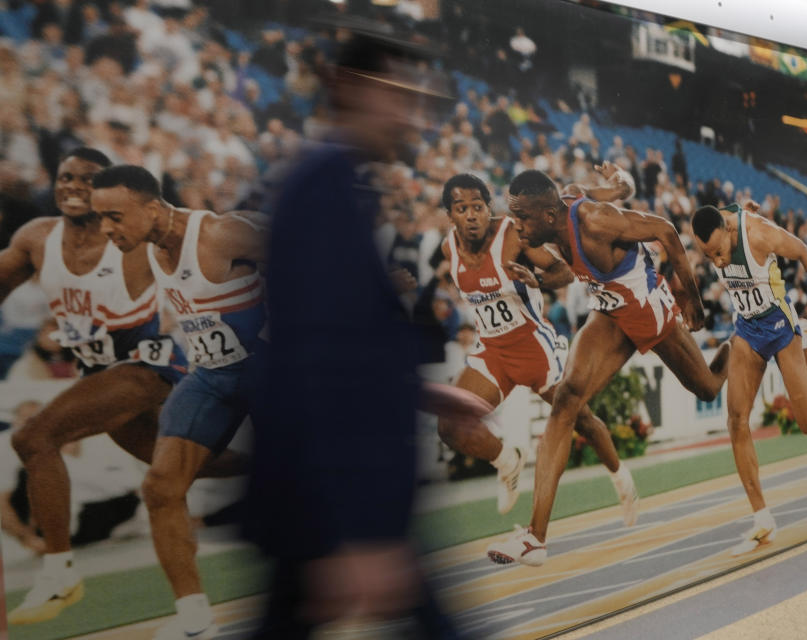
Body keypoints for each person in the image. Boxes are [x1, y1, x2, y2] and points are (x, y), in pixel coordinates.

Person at [245, 29, 471, 639]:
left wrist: (420, 390)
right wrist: (360, 530)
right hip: (333, 500)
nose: (409, 113)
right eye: (395, 95)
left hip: (326, 496)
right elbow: (317, 361)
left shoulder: (340, 185)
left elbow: (346, 344)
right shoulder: (322, 188)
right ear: (349, 88)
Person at [486, 167, 729, 566]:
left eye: (522, 218)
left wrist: (692, 298)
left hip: (649, 308)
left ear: (548, 216)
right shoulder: (558, 212)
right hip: (610, 313)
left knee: (707, 388)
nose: (516, 226)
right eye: (512, 216)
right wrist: (621, 178)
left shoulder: (595, 221)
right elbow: (620, 190)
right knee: (565, 400)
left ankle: (739, 345)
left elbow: (666, 230)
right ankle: (535, 537)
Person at [0, 148, 190, 626]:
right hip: (99, 377)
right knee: (192, 465)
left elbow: (206, 243)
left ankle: (60, 572)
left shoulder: (134, 236)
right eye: (65, 177)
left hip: (148, 365)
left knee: (33, 437)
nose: (72, 186)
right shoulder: (36, 238)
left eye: (86, 179)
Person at [90, 164, 266, 639]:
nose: (106, 228)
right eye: (99, 217)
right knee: (160, 487)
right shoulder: (140, 251)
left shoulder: (221, 232)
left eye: (114, 216)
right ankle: (193, 619)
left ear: (152, 208)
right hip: (212, 377)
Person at [439, 173, 638, 522]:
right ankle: (508, 461)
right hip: (493, 353)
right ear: (450, 215)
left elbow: (564, 271)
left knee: (584, 421)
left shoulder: (512, 235)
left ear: (489, 208)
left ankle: (621, 478)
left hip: (535, 349)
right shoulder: (447, 249)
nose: (471, 215)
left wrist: (539, 280)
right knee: (450, 425)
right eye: (461, 208)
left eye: (477, 206)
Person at [691, 202, 807, 555]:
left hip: (781, 326)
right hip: (747, 330)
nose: (717, 262)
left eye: (718, 252)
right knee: (736, 419)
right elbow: (722, 212)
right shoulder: (716, 223)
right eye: (709, 256)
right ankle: (761, 517)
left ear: (730, 232)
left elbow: (804, 252)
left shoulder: (758, 233)